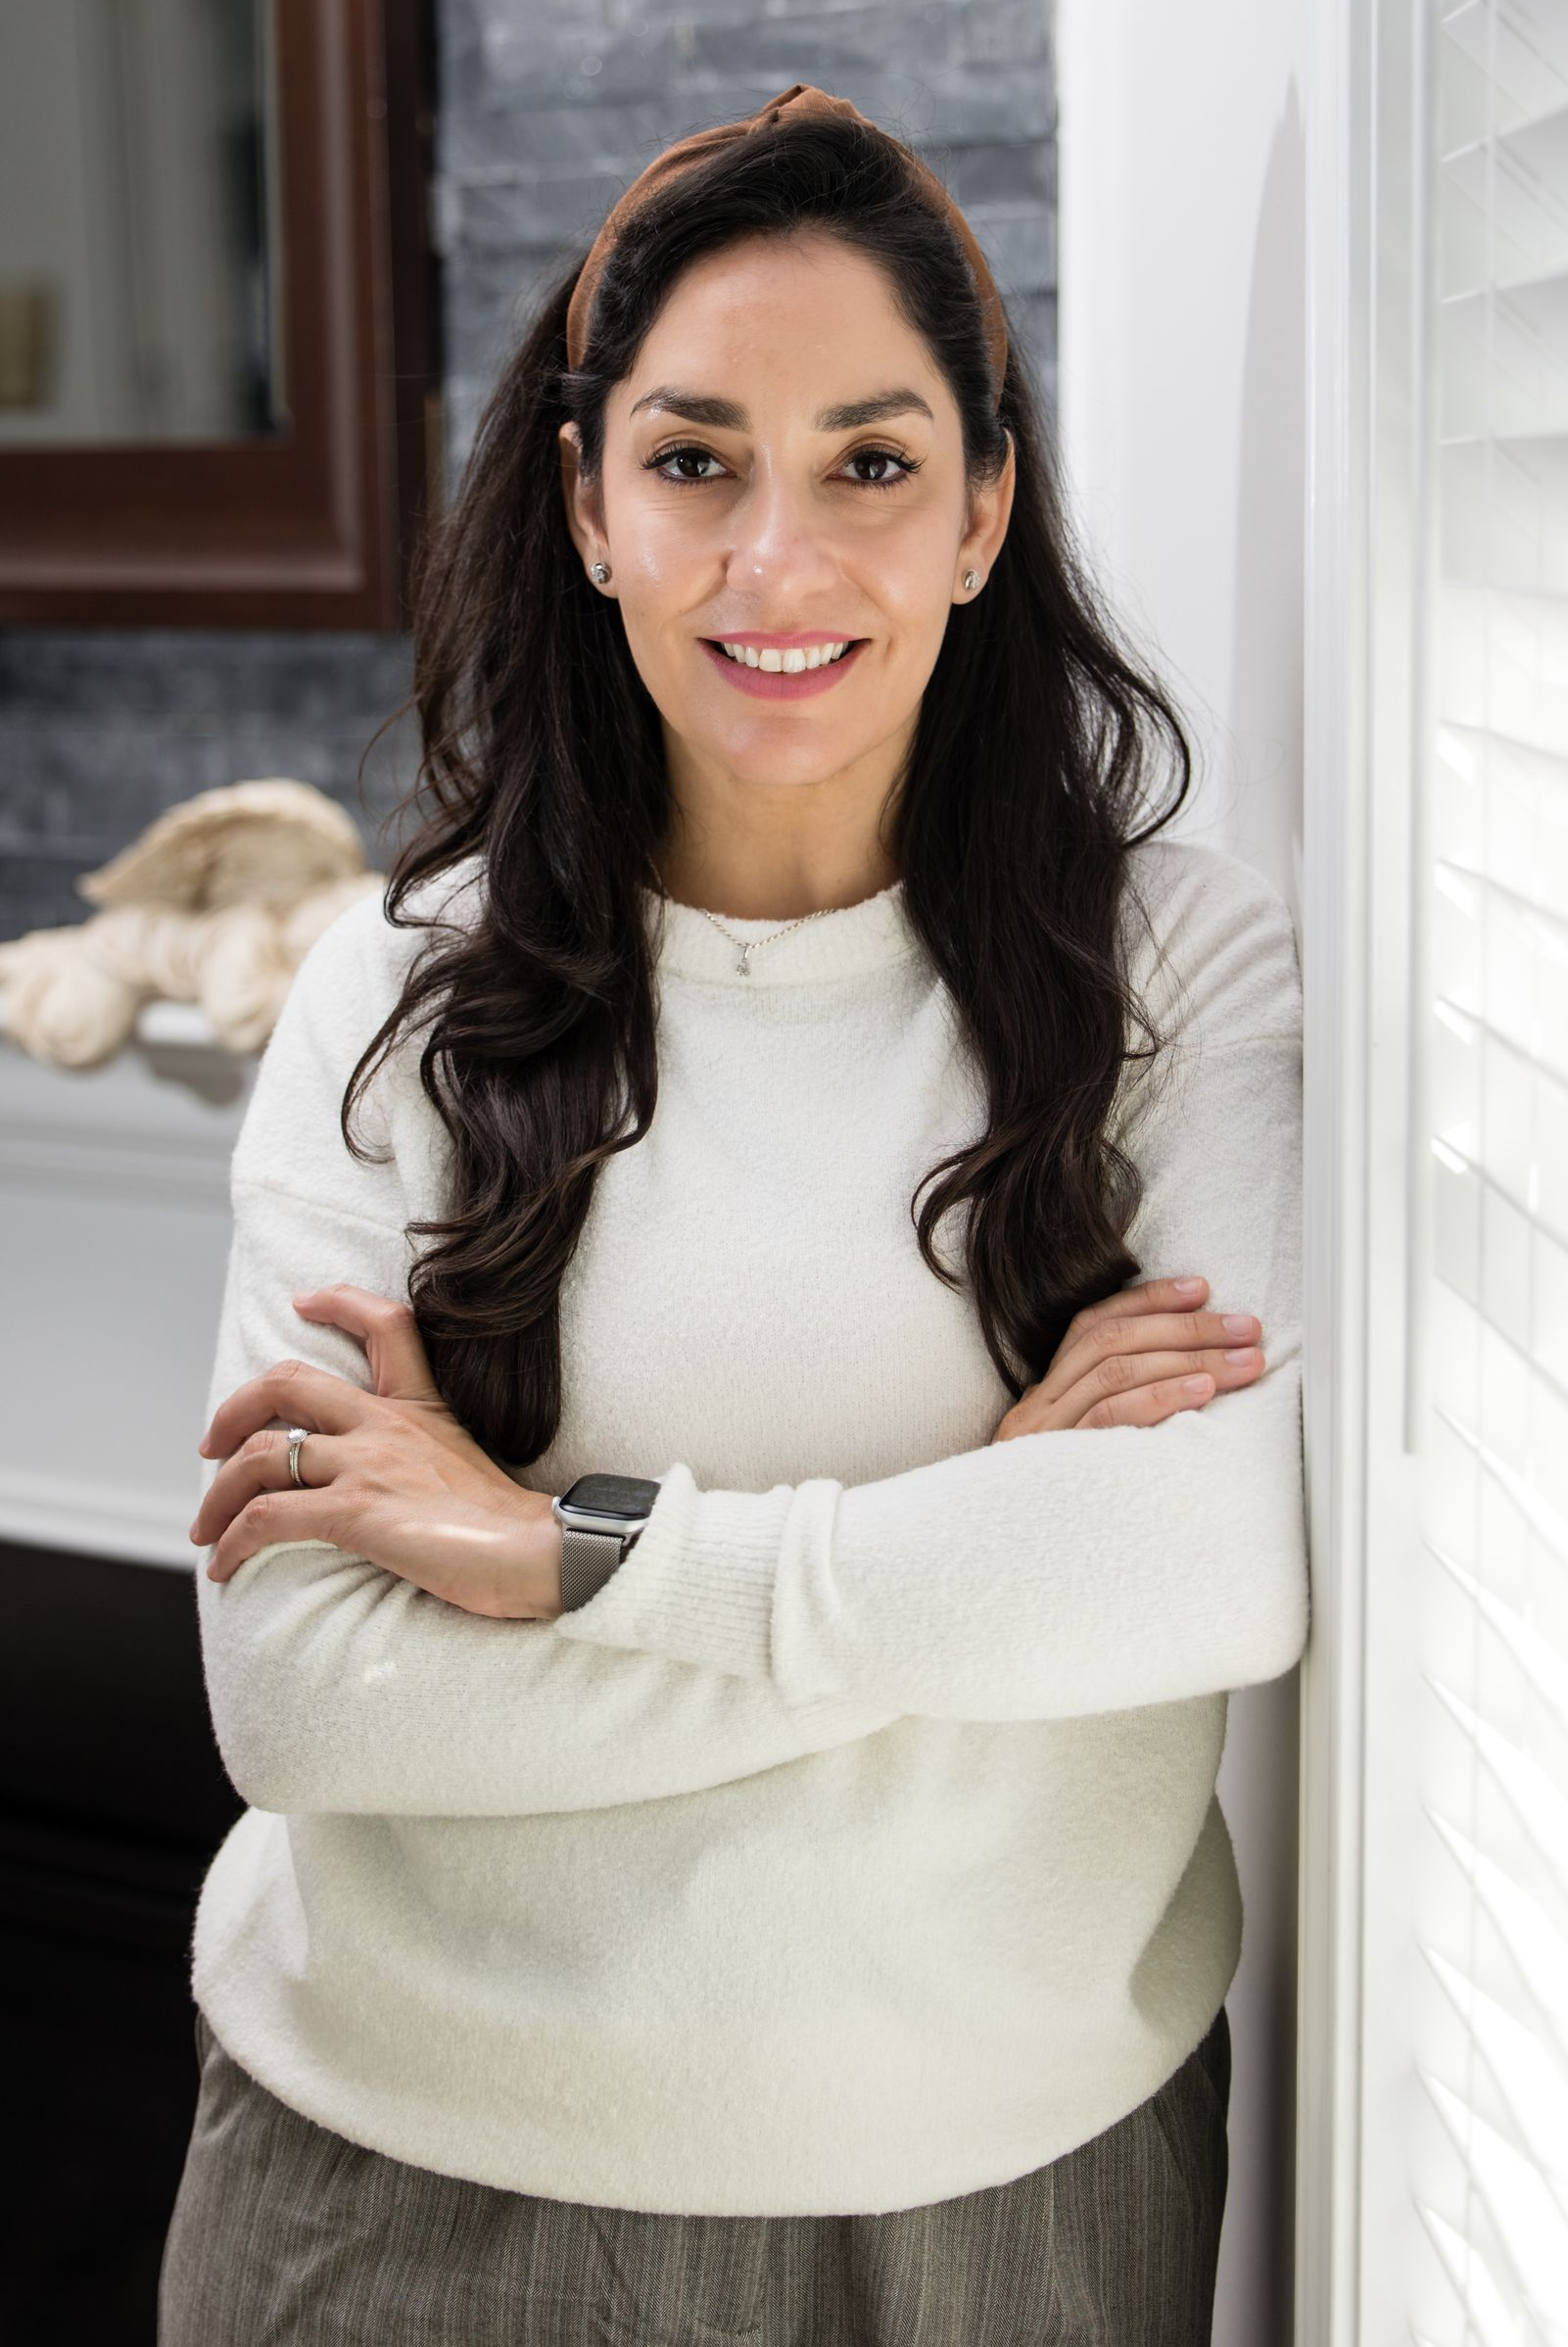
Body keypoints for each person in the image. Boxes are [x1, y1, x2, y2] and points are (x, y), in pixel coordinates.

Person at [158, 82, 1307, 2346]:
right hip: (402, 2208)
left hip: (1016, 2207)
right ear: (587, 506)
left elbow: (1207, 1558)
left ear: (981, 512)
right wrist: (976, 1549)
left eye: (869, 464)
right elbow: (304, 1701)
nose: (775, 563)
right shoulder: (397, 994)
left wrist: (564, 1553)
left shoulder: (1168, 967)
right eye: (692, 461)